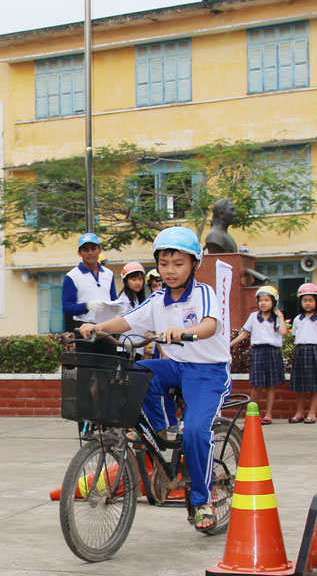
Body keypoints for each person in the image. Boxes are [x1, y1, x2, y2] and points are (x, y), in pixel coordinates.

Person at [77, 226, 230, 533]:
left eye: (178, 263)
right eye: (164, 264)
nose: (170, 271)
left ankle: (202, 500)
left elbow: (210, 325)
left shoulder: (204, 294)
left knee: (197, 433)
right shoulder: (157, 299)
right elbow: (128, 320)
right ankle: (163, 429)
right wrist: (97, 327)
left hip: (208, 371)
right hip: (176, 366)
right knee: (138, 372)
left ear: (194, 264)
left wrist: (186, 332)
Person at [233, 285, 286, 425]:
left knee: (271, 386)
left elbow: (283, 332)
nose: (263, 303)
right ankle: (252, 412)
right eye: (261, 300)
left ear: (274, 302)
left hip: (273, 352)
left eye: (267, 300)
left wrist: (280, 315)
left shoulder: (276, 318)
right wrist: (230, 344)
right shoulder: (253, 316)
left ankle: (268, 415)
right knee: (256, 385)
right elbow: (245, 333)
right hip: (258, 352)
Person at [288, 283, 317, 424]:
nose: (307, 303)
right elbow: (294, 336)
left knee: (316, 385)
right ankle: (299, 413)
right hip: (300, 351)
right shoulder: (297, 319)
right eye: (304, 300)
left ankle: (312, 413)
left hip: (316, 351)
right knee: (299, 386)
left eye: (310, 300)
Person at [62, 232, 119, 334]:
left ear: (99, 250)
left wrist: (118, 308)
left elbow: (113, 299)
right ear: (79, 253)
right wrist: (86, 306)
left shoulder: (109, 273)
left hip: (106, 328)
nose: (90, 253)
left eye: (93, 248)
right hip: (85, 329)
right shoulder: (72, 276)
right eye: (85, 249)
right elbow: (66, 307)